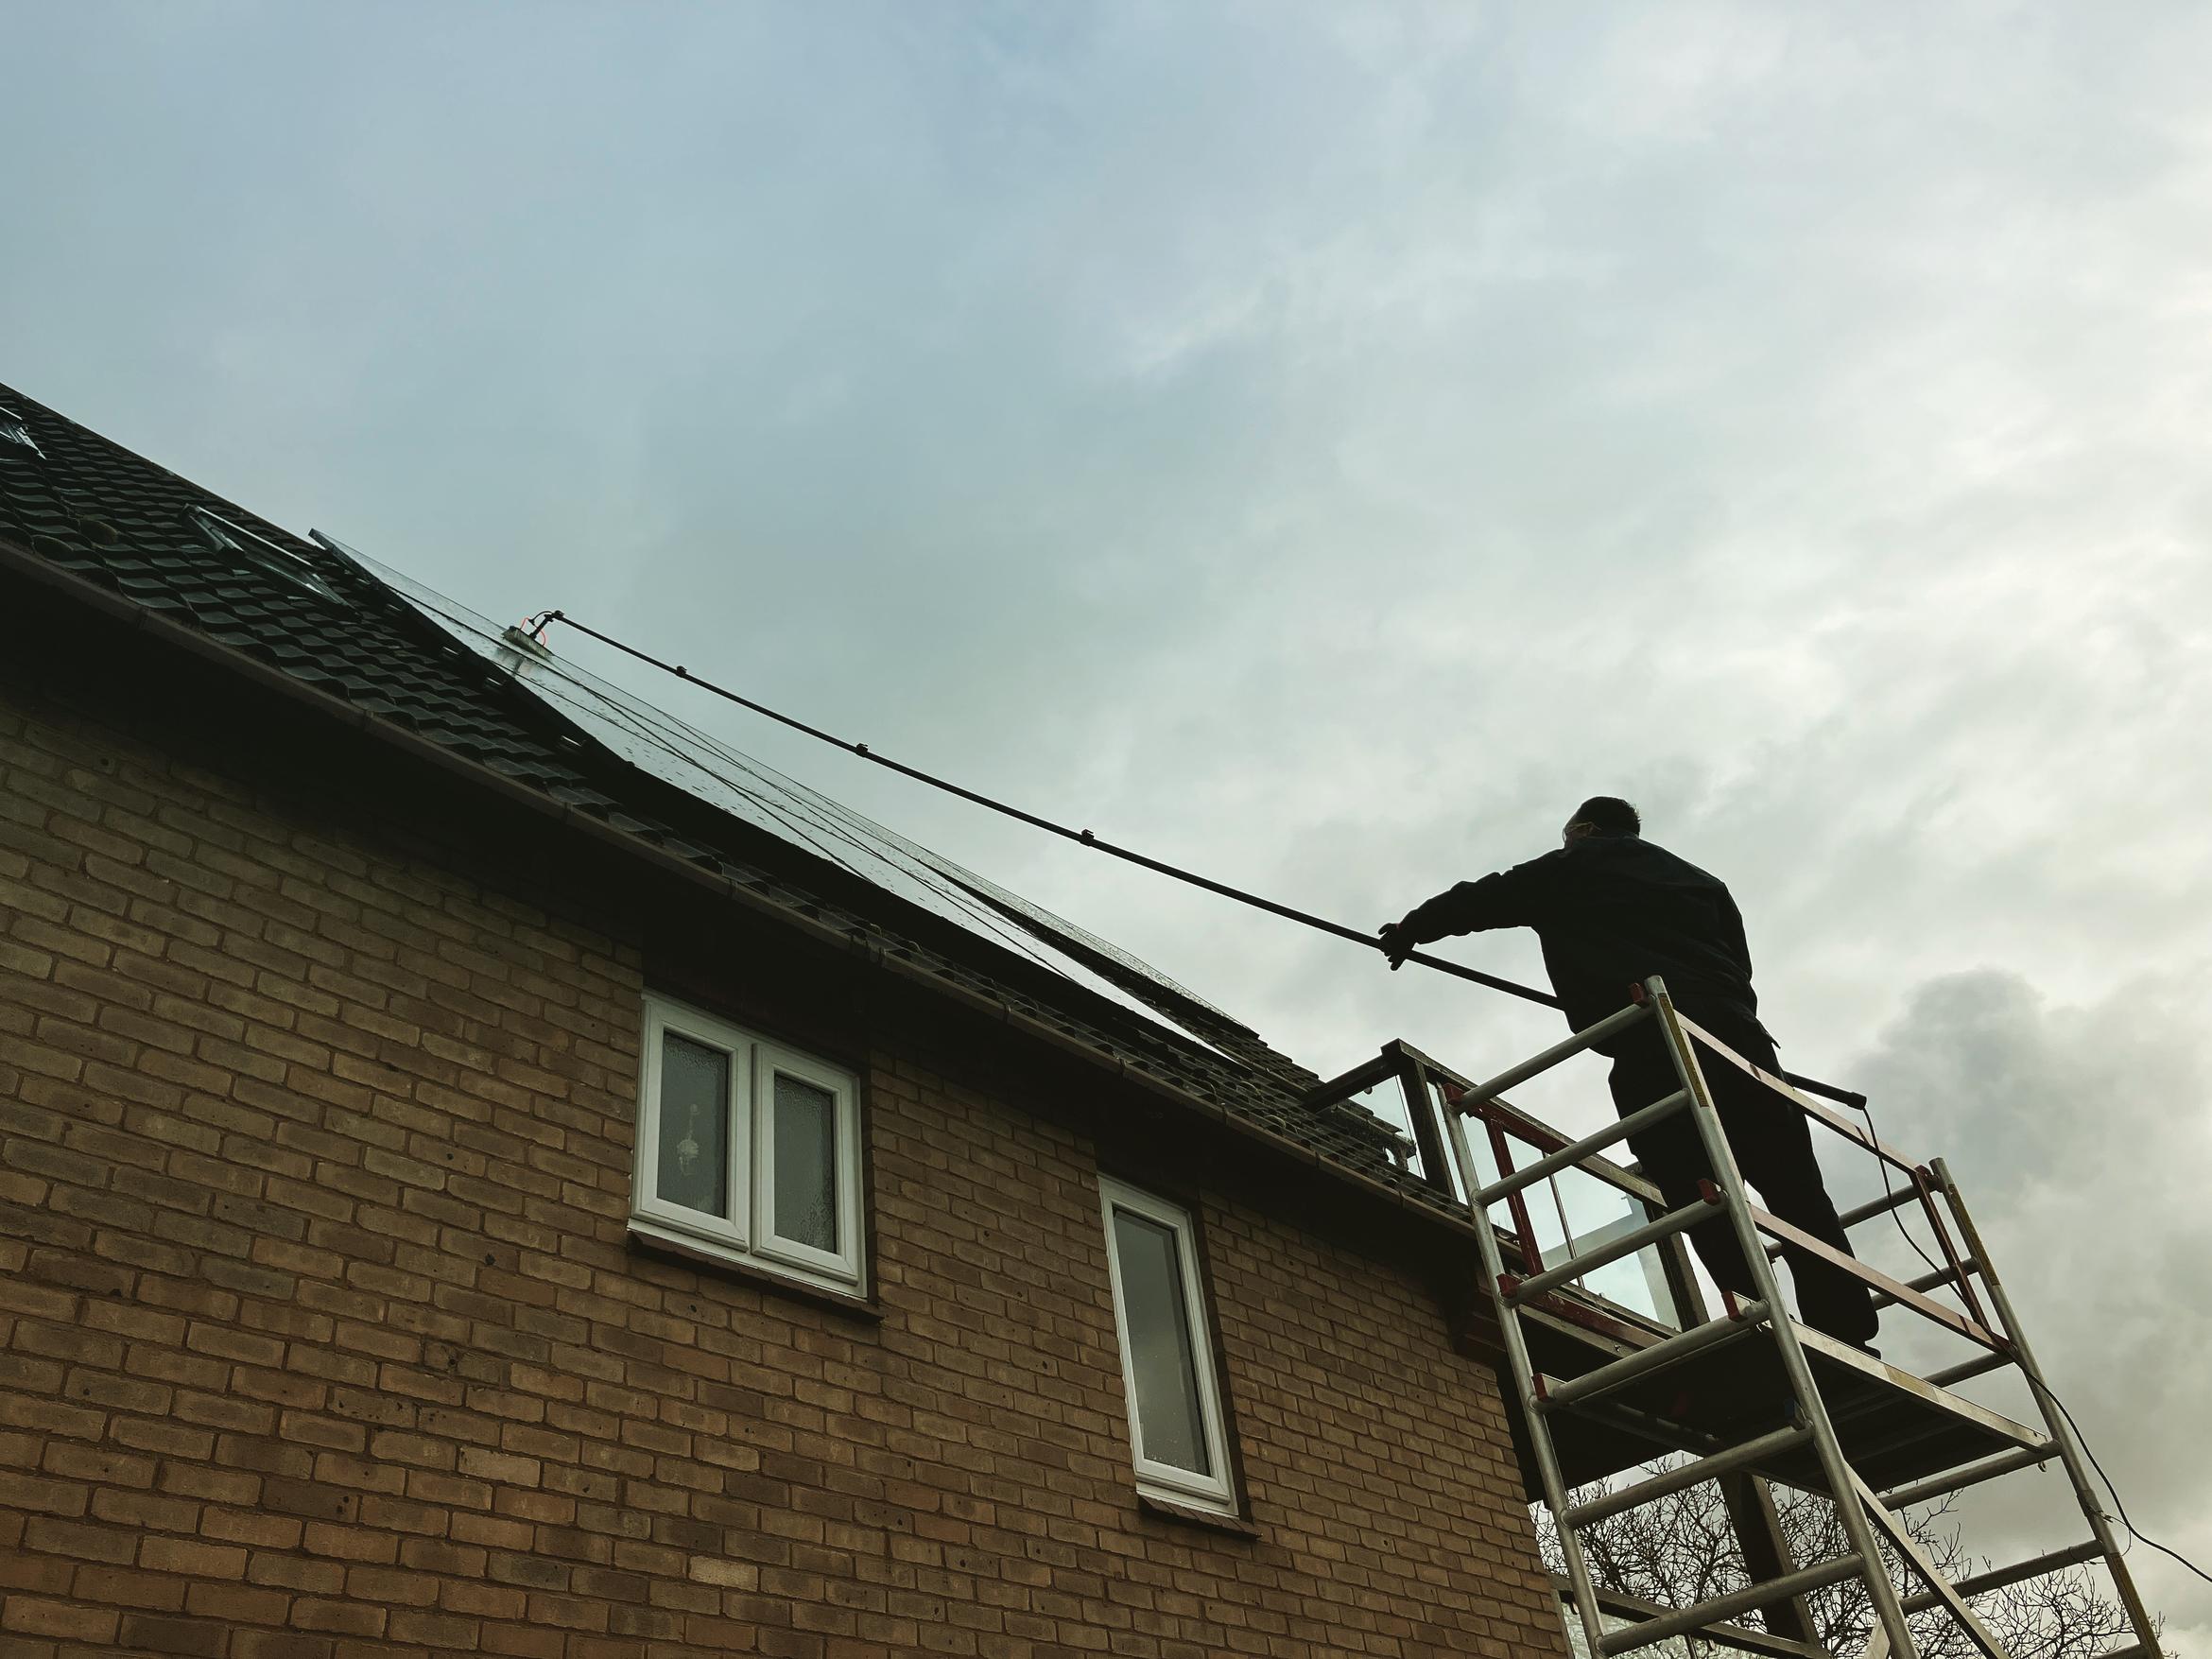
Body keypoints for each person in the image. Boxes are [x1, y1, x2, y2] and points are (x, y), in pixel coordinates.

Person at [1377, 797, 1879, 1352]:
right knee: (1794, 1184)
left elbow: (1485, 898)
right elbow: (1738, 964)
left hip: (1650, 1041)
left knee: (1693, 1184)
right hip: (1739, 1041)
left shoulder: (1576, 865)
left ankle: (1759, 1315)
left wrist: (1411, 930)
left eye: (1568, 834)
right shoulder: (1703, 883)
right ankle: (1848, 1331)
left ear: (1586, 830)